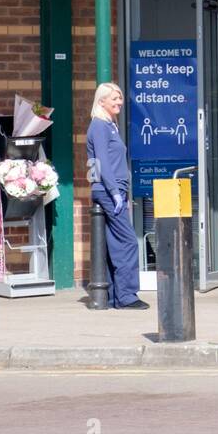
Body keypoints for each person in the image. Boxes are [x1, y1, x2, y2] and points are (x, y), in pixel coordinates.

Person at [86, 83, 148, 310]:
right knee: (129, 242)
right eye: (114, 98)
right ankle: (128, 296)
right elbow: (101, 162)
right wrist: (114, 192)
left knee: (115, 244)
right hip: (109, 192)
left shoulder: (110, 125)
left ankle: (114, 296)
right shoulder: (100, 126)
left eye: (120, 98)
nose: (119, 102)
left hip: (114, 191)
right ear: (101, 101)